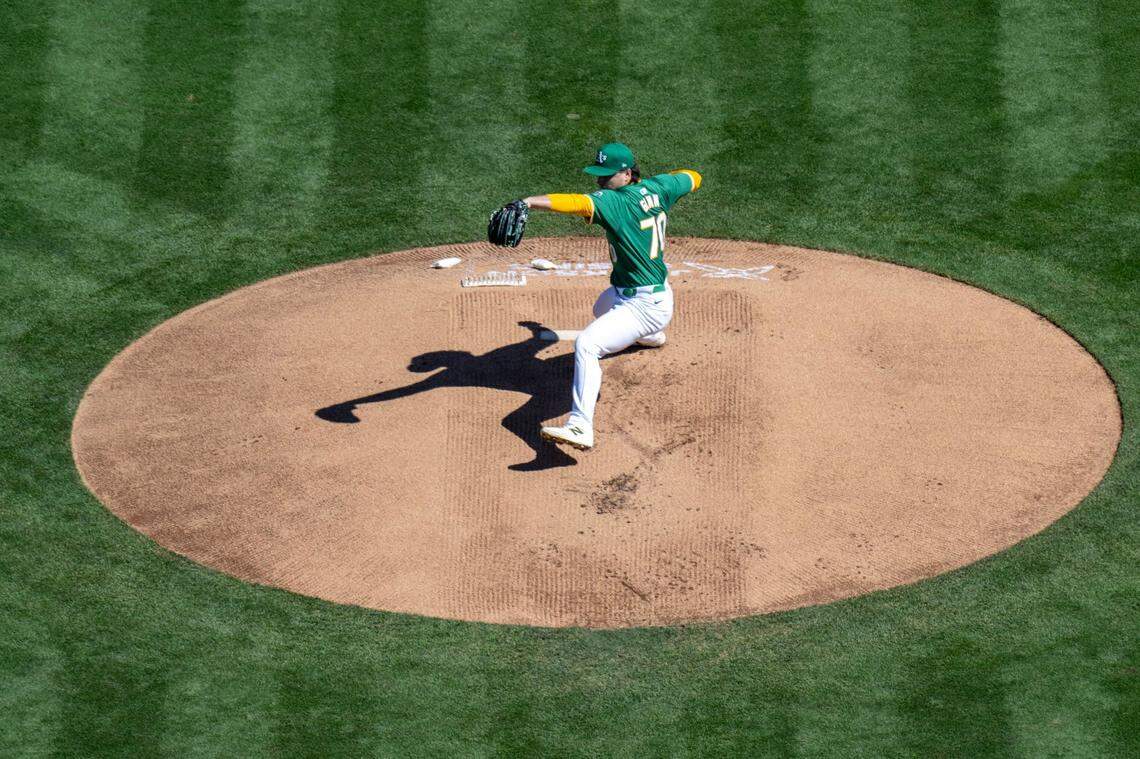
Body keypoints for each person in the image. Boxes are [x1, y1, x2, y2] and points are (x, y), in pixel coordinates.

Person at [519, 142, 702, 451]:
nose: (599, 182)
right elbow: (692, 177)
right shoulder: (660, 187)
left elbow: (576, 203)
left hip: (645, 304)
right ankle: (651, 336)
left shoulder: (617, 203)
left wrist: (526, 202)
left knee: (587, 345)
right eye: (598, 175)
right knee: (601, 307)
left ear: (627, 173)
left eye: (606, 176)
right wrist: (663, 183)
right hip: (643, 295)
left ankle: (580, 426)